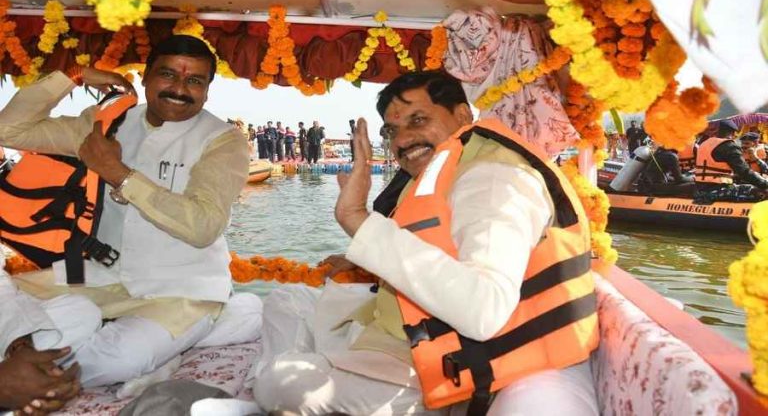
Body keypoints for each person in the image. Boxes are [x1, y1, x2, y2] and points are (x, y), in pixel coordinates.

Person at [250, 71, 599, 415]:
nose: (402, 140)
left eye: (418, 120)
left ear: (462, 115)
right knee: (288, 299)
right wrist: (364, 261)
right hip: (397, 328)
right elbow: (439, 247)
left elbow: (484, 310)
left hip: (437, 365)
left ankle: (287, 381)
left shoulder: (493, 178)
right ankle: (312, 369)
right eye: (393, 130)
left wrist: (358, 219)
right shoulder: (451, 165)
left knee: (280, 383)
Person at [0, 35, 261, 395]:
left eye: (194, 81)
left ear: (206, 91)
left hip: (181, 289)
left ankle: (30, 385)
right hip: (98, 274)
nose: (180, 89)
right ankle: (30, 373)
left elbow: (203, 226)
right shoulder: (108, 123)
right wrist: (71, 75)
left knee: (119, 358)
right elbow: (8, 130)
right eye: (167, 75)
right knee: (9, 299)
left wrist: (118, 173)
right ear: (144, 77)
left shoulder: (222, 140)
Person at [694, 120, 768, 201]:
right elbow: (744, 172)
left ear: (718, 131)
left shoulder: (704, 144)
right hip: (718, 189)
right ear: (733, 133)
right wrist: (765, 184)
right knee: (759, 191)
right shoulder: (729, 145)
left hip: (700, 188)